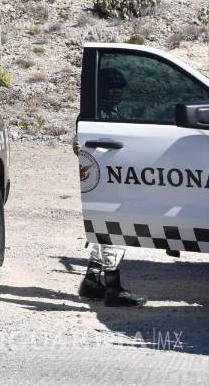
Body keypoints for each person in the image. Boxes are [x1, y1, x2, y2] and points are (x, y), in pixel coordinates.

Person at [73, 67, 145, 307]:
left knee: (103, 230)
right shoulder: (98, 115)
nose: (116, 93)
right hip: (108, 179)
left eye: (119, 89)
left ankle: (92, 281)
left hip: (108, 178)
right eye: (111, 88)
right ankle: (113, 287)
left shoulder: (107, 112)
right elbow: (80, 142)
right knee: (115, 230)